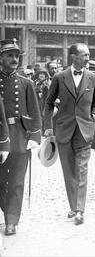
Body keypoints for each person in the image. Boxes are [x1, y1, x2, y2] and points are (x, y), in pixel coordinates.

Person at [44, 43, 95, 226]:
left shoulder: (94, 78)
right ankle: (73, 205)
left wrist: (94, 117)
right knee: (69, 171)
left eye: (88, 55)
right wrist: (48, 126)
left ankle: (79, 210)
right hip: (64, 130)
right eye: (84, 55)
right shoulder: (59, 77)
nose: (88, 58)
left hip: (85, 131)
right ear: (73, 56)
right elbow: (49, 102)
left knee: (81, 170)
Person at [0, 39, 41, 236]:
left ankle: (11, 220)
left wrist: (34, 136)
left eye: (16, 56)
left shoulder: (26, 83)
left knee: (16, 182)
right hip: (0, 138)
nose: (14, 59)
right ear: (1, 58)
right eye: (9, 55)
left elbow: (35, 111)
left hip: (19, 138)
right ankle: (8, 212)